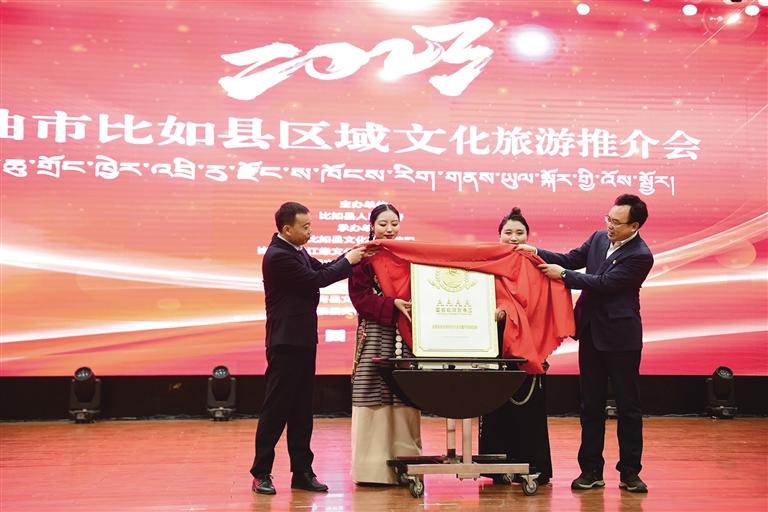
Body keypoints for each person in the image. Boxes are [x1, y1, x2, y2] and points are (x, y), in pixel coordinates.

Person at [517, 194, 653, 493]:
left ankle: (630, 472)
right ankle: (591, 471)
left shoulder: (641, 255)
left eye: (617, 223)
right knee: (590, 405)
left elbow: (605, 283)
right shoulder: (598, 238)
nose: (610, 226)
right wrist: (535, 252)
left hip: (622, 339)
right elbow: (570, 259)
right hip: (591, 334)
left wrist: (565, 276)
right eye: (609, 219)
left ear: (634, 226)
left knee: (628, 408)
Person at [251, 201, 368, 495]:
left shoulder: (297, 251)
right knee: (276, 409)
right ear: (286, 228)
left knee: (302, 410)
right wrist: (350, 260)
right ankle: (261, 473)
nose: (310, 231)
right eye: (305, 227)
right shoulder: (278, 256)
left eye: (310, 225)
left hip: (303, 340)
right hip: (285, 343)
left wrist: (352, 255)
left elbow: (324, 268)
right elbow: (318, 279)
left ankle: (302, 472)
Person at [348, 203, 422, 485]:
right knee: (371, 392)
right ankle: (372, 470)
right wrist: (392, 304)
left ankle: (408, 467)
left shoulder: (408, 256)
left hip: (405, 333)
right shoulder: (362, 257)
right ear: (372, 226)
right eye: (383, 224)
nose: (389, 230)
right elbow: (360, 298)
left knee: (405, 395)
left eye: (394, 224)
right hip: (375, 334)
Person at [479, 207, 553, 486]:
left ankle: (533, 466)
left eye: (519, 233)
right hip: (494, 342)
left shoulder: (537, 265)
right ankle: (498, 467)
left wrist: (512, 313)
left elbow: (543, 305)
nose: (513, 237)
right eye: (508, 232)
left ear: (528, 236)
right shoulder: (487, 263)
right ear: (499, 236)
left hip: (528, 344)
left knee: (528, 410)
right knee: (495, 407)